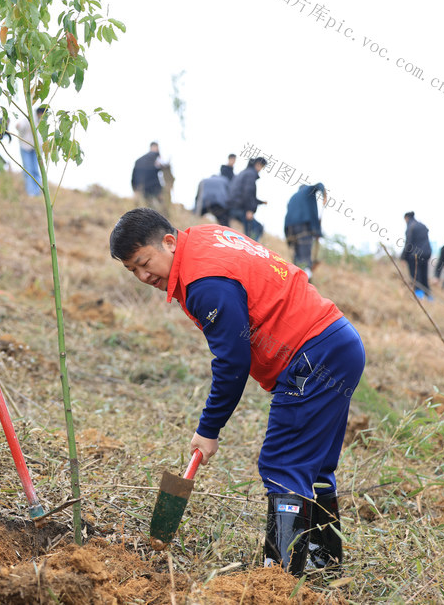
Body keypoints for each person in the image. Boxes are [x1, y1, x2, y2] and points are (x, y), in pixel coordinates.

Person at [110, 208, 366, 574]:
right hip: (338, 341)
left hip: (311, 354)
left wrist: (208, 429)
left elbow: (232, 362)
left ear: (168, 242)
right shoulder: (203, 237)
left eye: (143, 262)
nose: (142, 275)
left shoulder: (204, 283)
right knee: (316, 463)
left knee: (283, 463)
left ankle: (277, 580)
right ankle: (323, 561)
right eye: (132, 270)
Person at [284, 182, 326, 280]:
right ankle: (306, 283)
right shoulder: (307, 190)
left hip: (290, 230)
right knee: (305, 259)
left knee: (297, 258)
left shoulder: (293, 197)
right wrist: (324, 195)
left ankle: (295, 280)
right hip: (303, 228)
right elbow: (319, 185)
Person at [227, 156, 267, 241]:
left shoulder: (244, 172)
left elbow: (246, 194)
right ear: (258, 164)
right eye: (261, 167)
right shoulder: (251, 175)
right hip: (238, 208)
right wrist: (249, 210)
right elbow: (247, 193)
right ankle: (250, 248)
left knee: (251, 228)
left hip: (233, 206)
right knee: (257, 228)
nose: (260, 169)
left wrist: (260, 202)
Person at [15, 107, 45, 196]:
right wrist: (18, 126)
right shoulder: (29, 118)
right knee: (28, 170)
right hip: (25, 147)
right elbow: (20, 126)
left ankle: (37, 192)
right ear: (39, 112)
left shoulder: (43, 122)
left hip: (37, 149)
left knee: (36, 170)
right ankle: (30, 192)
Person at [401, 212, 432, 298]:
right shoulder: (423, 226)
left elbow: (408, 244)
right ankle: (428, 296)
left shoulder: (411, 227)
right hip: (425, 254)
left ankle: (419, 296)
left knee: (415, 276)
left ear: (407, 218)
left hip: (414, 256)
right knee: (424, 276)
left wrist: (403, 257)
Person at [131, 142, 163, 208]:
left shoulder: (139, 160)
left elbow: (134, 176)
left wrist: (135, 187)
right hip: (153, 189)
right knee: (155, 209)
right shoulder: (155, 158)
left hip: (141, 188)